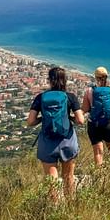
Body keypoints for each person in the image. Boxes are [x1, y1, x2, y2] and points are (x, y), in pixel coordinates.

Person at [26, 67, 84, 200]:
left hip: (47, 143)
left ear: (50, 80)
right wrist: (69, 118)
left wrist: (43, 119)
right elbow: (80, 120)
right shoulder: (70, 97)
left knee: (52, 180)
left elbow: (30, 121)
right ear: (65, 80)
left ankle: (55, 208)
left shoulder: (41, 97)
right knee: (68, 176)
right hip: (67, 141)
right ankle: (70, 207)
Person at [82, 66, 110, 166]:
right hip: (109, 124)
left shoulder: (89, 91)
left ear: (96, 77)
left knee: (98, 151)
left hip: (94, 124)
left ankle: (99, 176)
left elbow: (85, 109)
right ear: (107, 77)